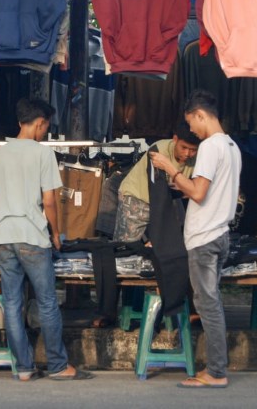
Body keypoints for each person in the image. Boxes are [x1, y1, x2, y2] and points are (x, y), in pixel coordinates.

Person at [0, 98, 94, 382]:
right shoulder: (43, 154)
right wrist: (55, 233)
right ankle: (57, 366)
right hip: (33, 237)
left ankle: (25, 368)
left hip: (4, 237)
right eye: (46, 127)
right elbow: (50, 201)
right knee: (47, 302)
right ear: (39, 123)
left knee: (13, 303)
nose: (45, 132)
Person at [151, 89, 241, 389]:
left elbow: (198, 193)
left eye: (191, 122)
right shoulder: (232, 147)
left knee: (208, 304)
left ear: (201, 115)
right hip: (219, 234)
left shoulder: (210, 147)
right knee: (210, 301)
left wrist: (170, 169)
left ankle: (216, 371)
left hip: (205, 237)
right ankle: (216, 369)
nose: (190, 129)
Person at [86, 121, 200, 328]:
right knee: (122, 253)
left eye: (193, 150)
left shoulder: (196, 159)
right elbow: (158, 195)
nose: (188, 154)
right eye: (184, 148)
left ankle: (190, 309)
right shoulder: (158, 151)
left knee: (181, 254)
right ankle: (109, 312)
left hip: (170, 201)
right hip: (136, 198)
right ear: (175, 140)